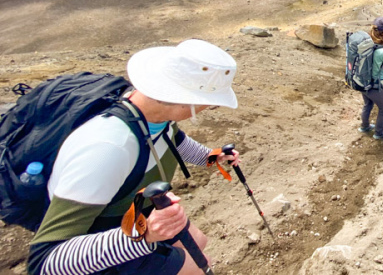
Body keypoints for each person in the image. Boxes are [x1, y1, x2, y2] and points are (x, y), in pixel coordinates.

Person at [27, 39, 241, 275]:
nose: (208, 109)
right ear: (186, 102)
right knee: (198, 269)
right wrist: (143, 233)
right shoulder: (108, 148)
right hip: (105, 243)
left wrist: (214, 157)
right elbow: (46, 263)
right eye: (211, 105)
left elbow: (176, 144)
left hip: (137, 213)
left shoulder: (156, 118)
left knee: (199, 244)